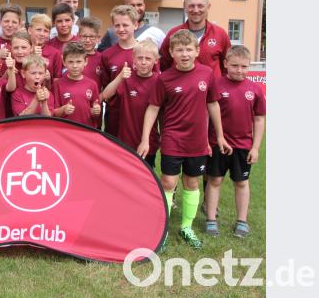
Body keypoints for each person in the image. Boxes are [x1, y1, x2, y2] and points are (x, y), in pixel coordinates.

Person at [137, 30, 233, 250]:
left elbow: (213, 104)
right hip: (172, 138)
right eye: (179, 50)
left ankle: (186, 227)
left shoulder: (207, 73)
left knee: (191, 182)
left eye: (189, 49)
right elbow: (153, 108)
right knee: (169, 182)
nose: (184, 54)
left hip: (197, 141)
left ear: (197, 51)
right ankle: (162, 230)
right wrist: (145, 139)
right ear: (170, 52)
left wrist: (219, 136)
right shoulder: (164, 78)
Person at [203, 45, 266, 239]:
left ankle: (242, 220)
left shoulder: (255, 89)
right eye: (235, 65)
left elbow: (259, 119)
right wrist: (206, 141)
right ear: (225, 64)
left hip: (243, 146)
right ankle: (211, 219)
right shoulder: (216, 86)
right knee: (215, 180)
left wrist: (255, 147)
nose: (240, 70)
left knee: (241, 182)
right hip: (217, 143)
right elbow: (206, 115)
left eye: (244, 67)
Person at [100, 40, 162, 167]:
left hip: (149, 140)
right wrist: (120, 77)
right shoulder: (126, 78)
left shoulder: (159, 81)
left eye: (148, 58)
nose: (143, 62)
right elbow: (104, 95)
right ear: (133, 58)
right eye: (140, 58)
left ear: (156, 60)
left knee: (146, 176)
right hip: (125, 139)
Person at [159, 0, 231, 77]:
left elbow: (228, 66)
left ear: (208, 7)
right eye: (191, 6)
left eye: (200, 6)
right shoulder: (173, 33)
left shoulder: (220, 34)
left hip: (211, 90)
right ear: (185, 7)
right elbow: (163, 64)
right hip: (180, 89)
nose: (196, 10)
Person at [100, 5, 142, 136]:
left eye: (125, 25)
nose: (121, 29)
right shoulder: (107, 55)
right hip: (115, 114)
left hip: (139, 113)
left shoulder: (146, 51)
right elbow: (105, 89)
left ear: (135, 25)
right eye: (117, 25)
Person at [51, 42, 101, 128]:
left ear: (86, 61)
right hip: (65, 131)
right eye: (70, 62)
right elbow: (54, 112)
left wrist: (96, 111)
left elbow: (95, 114)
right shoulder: (57, 84)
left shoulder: (92, 84)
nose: (75, 66)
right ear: (64, 62)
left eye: (78, 61)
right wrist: (63, 110)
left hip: (87, 130)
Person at [98, 0, 166, 51]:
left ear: (144, 6)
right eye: (132, 5)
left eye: (139, 5)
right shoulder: (112, 33)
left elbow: (164, 60)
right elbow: (101, 58)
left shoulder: (157, 33)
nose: (136, 8)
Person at [27, 14, 62, 82]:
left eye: (46, 31)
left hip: (46, 91)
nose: (42, 34)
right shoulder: (22, 49)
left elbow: (57, 79)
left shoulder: (55, 53)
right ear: (29, 30)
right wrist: (31, 54)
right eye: (38, 30)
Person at [77, 17, 104, 84]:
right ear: (78, 36)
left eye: (92, 36)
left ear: (98, 38)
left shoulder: (102, 58)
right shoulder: (72, 57)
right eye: (84, 36)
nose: (88, 40)